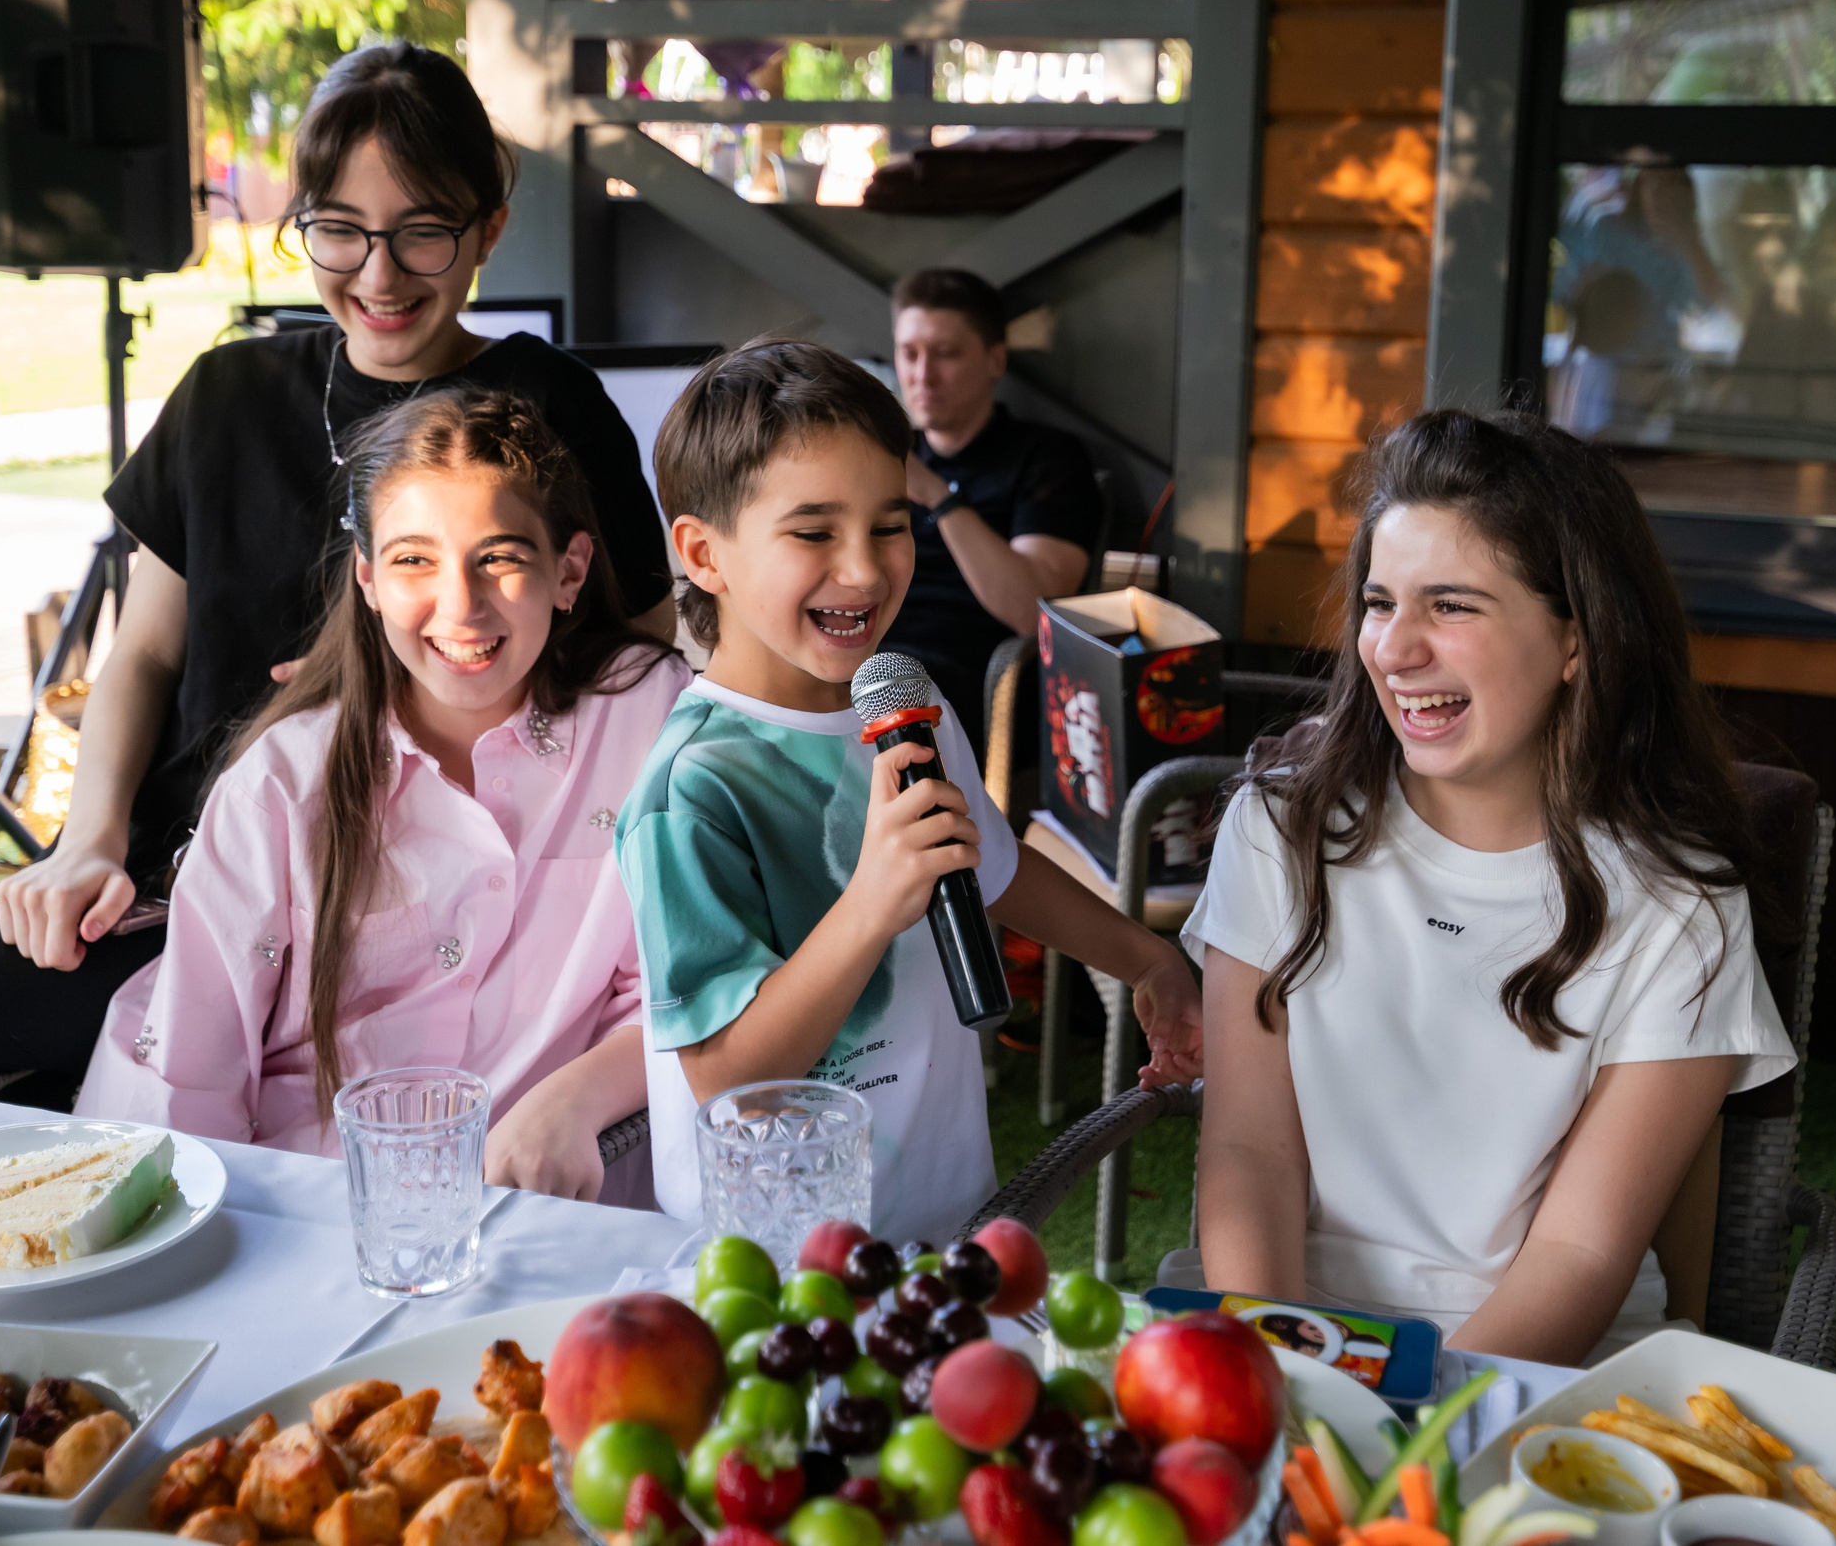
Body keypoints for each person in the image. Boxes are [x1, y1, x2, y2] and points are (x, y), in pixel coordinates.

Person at [0, 41, 673, 1106]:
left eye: (423, 232)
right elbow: (142, 654)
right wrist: (88, 842)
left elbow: (638, 659)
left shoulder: (544, 407)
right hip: (169, 875)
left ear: (488, 229)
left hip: (382, 907)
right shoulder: (226, 395)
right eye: (339, 231)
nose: (379, 275)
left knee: (53, 1121)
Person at [1189, 411, 1795, 1366]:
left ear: (1576, 639)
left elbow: (1581, 1252)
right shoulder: (1279, 830)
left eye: (1454, 605)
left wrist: (1416, 1420)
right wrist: (1289, 1372)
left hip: (1541, 1364)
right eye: (1379, 602)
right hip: (1283, 1325)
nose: (1392, 649)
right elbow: (1246, 1156)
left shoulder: (1681, 904)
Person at [617, 340, 1201, 1242]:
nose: (863, 569)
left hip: (941, 1213)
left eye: (889, 525)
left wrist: (1150, 961)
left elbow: (989, 865)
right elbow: (728, 1078)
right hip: (771, 1262)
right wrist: (872, 903)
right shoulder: (691, 787)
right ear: (704, 552)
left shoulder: (903, 698)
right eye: (813, 532)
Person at [76, 389, 688, 1196]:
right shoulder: (280, 784)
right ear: (367, 579)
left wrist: (573, 1098)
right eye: (413, 560)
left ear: (568, 570)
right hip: (314, 1207)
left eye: (499, 556)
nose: (461, 605)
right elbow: (192, 1071)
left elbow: (686, 979)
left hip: (557, 1210)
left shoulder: (646, 714)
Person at [880, 269, 1103, 751]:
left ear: (995, 360)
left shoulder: (1046, 457)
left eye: (946, 353)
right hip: (869, 656)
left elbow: (1033, 609)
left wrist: (938, 497)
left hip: (978, 675)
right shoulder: (886, 456)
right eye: (909, 353)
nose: (922, 374)